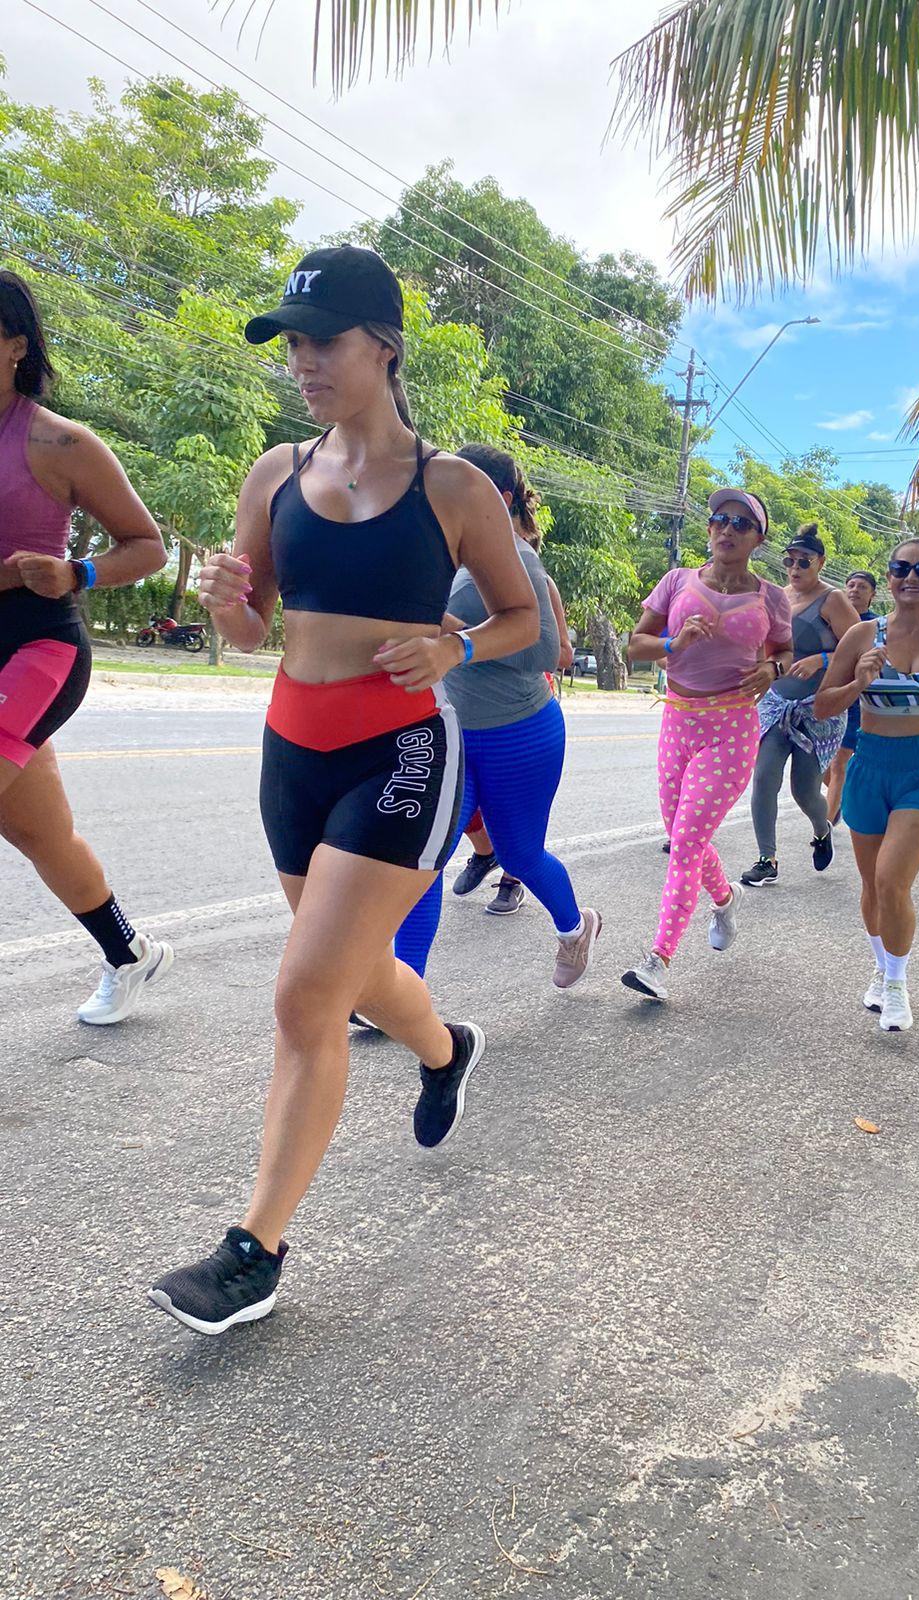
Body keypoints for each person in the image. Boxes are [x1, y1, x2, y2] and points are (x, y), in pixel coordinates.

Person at [148, 247, 539, 1335]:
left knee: (304, 997)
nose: (305, 362)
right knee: (355, 977)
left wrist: (452, 642)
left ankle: (252, 1254)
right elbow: (246, 624)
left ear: (386, 346)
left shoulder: (452, 486)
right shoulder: (274, 473)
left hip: (399, 755)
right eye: (293, 344)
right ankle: (447, 1047)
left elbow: (521, 619)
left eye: (324, 340)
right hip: (293, 747)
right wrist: (228, 596)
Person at [0, 270, 172, 1024]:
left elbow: (148, 546)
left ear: (14, 346)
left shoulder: (60, 442)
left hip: (39, 648)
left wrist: (77, 571)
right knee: (39, 831)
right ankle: (128, 951)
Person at [392, 443, 600, 986]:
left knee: (521, 854)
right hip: (454, 735)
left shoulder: (518, 559)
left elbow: (544, 654)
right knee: (425, 860)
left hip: (520, 735)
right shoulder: (444, 553)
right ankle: (401, 988)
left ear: (498, 497)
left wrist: (450, 629)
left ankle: (576, 928)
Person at [621, 489, 791, 1000]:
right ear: (710, 527)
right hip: (677, 720)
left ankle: (658, 959)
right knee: (682, 834)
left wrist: (772, 667)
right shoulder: (677, 582)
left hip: (731, 729)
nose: (728, 528)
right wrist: (674, 644)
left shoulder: (771, 597)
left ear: (758, 538)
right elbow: (636, 644)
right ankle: (724, 900)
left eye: (742, 523)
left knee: (685, 843)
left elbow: (784, 648)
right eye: (721, 519)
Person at [814, 538, 919, 1032]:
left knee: (891, 879)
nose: (912, 576)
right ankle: (881, 969)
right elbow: (824, 706)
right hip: (870, 767)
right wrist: (858, 683)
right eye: (901, 567)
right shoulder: (862, 636)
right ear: (888, 577)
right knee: (870, 883)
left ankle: (897, 985)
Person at [449, 537, 573, 917]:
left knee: (519, 849)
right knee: (422, 857)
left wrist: (464, 636)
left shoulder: (537, 580)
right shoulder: (442, 566)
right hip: (454, 726)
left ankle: (512, 878)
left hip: (520, 722)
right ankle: (486, 854)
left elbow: (560, 655)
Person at [741, 526, 858, 885]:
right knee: (763, 778)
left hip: (818, 709)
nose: (794, 568)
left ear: (820, 562)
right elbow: (766, 647)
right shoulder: (776, 597)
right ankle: (767, 858)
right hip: (778, 704)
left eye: (803, 562)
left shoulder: (834, 599)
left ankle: (822, 830)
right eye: (789, 561)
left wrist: (822, 659)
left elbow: (860, 648)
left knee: (804, 790)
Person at [822, 569, 877, 827]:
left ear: (872, 594)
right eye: (851, 585)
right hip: (823, 698)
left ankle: (824, 826)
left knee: (838, 762)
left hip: (857, 702)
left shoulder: (874, 627)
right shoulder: (830, 619)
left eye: (862, 587)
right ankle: (841, 797)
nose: (855, 590)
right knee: (821, 767)